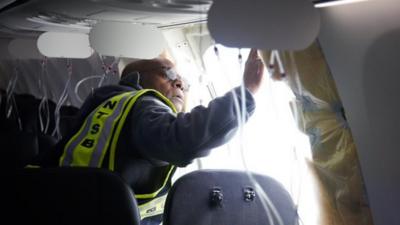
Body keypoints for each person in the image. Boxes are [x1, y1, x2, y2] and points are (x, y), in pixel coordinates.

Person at [42, 49, 265, 225]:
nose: (179, 84)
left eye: (183, 82)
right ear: (136, 79)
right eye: (168, 74)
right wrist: (245, 94)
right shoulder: (142, 103)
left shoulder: (110, 106)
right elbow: (182, 139)